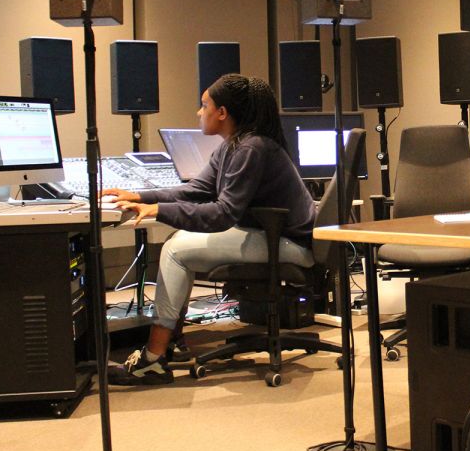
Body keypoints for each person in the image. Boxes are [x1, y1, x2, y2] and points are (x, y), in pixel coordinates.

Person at [103, 74, 317, 385]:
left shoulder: (251, 148)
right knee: (179, 243)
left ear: (223, 113)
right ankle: (171, 340)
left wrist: (160, 211)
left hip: (289, 243)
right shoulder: (233, 146)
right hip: (270, 236)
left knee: (175, 251)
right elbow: (194, 191)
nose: (199, 113)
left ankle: (153, 357)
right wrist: (140, 196)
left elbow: (222, 215)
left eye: (204, 105)